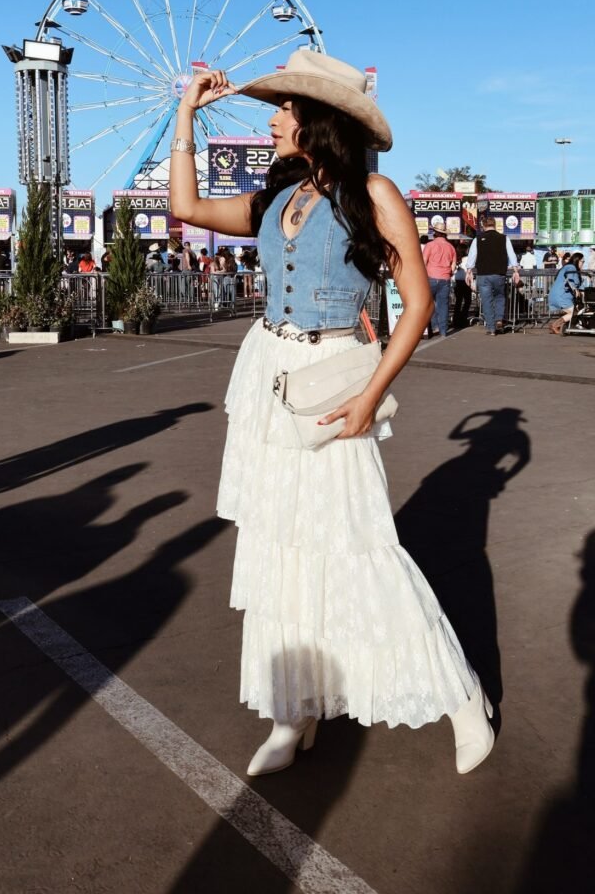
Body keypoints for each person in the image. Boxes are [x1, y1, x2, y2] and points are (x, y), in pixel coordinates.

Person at [169, 49, 495, 778]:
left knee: (360, 547)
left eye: (286, 108)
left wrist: (371, 394)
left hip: (334, 381)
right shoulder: (276, 198)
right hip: (268, 378)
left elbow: (417, 305)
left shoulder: (374, 193)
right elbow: (185, 208)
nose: (274, 120)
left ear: (320, 120)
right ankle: (294, 712)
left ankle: (463, 695)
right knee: (278, 547)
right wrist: (186, 111)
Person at [465, 218, 520, 335]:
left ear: (483, 226)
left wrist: (469, 271)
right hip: (499, 273)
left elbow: (472, 256)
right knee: (500, 296)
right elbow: (512, 255)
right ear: (495, 225)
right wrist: (516, 270)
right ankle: (499, 319)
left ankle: (491, 328)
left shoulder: (477, 239)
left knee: (486, 301)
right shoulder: (504, 238)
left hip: (483, 274)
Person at [422, 219, 456, 337]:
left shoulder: (430, 245)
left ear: (435, 233)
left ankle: (435, 325)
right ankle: (443, 330)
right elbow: (453, 265)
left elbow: (423, 261)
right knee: (443, 305)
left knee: (429, 303)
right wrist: (449, 273)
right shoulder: (451, 247)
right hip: (445, 278)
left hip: (431, 277)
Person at [547, 250, 586, 333]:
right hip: (561, 296)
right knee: (575, 312)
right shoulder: (571, 267)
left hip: (560, 295)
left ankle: (563, 326)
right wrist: (575, 289)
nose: (583, 263)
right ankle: (555, 325)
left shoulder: (572, 269)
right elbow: (570, 278)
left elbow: (580, 286)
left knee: (575, 311)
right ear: (577, 260)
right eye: (582, 261)